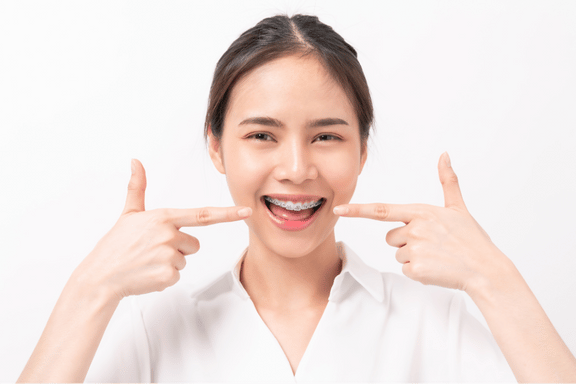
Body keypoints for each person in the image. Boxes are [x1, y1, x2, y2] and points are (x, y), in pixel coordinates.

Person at [17, 14, 576, 383]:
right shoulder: (153, 328)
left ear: (362, 151)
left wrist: (495, 279)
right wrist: (90, 288)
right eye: (262, 135)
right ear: (216, 147)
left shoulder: (435, 322)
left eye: (327, 136)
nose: (296, 169)